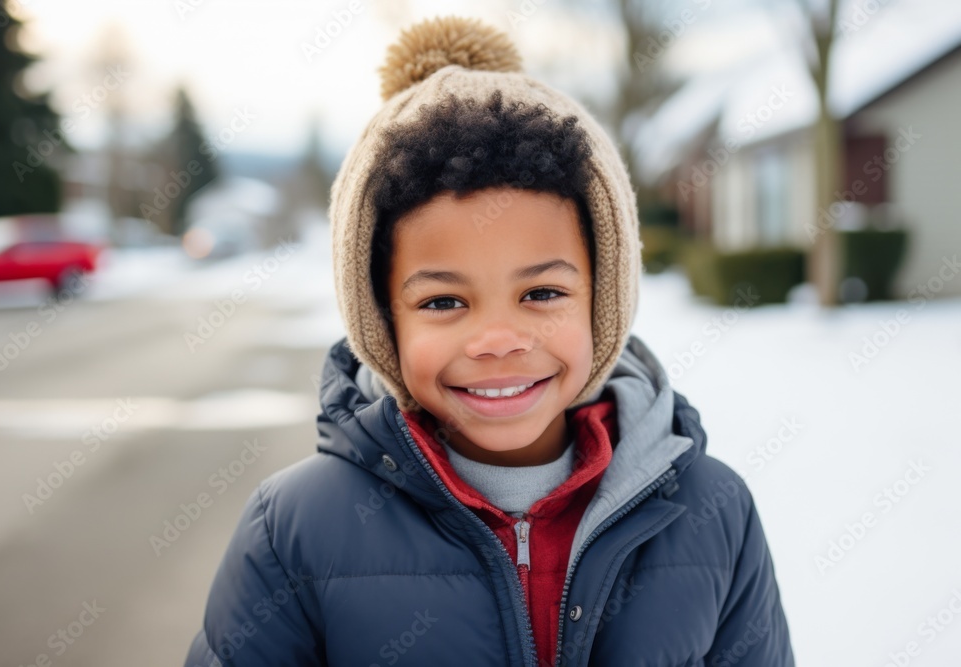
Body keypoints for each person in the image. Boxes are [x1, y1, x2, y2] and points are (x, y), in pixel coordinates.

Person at [184, 15, 795, 667]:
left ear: (604, 298)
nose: (498, 340)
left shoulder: (712, 513)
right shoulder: (295, 531)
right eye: (444, 301)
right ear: (383, 319)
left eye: (542, 293)